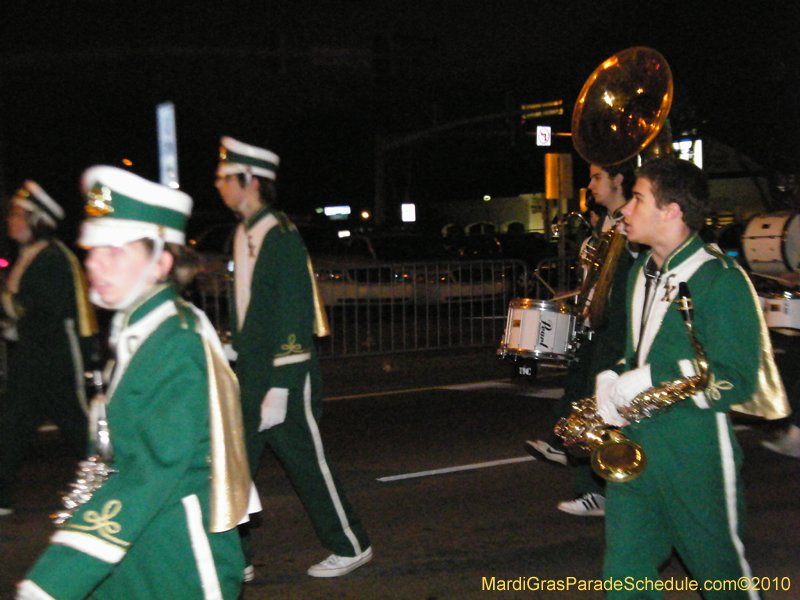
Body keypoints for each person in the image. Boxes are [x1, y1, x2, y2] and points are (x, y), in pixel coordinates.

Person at [16, 166, 252, 600]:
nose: (93, 263)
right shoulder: (137, 325)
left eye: (114, 251)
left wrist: (56, 578)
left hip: (176, 562)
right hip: (136, 545)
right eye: (92, 250)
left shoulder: (175, 342)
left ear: (161, 261)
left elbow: (147, 473)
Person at [598, 157, 764, 598]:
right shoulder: (640, 271)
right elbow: (637, 353)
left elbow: (738, 377)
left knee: (722, 576)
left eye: (637, 198)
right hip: (635, 446)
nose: (627, 210)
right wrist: (611, 379)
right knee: (624, 571)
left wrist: (655, 378)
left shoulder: (720, 279)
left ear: (672, 210)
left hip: (696, 452)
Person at [215, 137, 371, 578]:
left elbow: (293, 309)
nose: (220, 186)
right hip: (251, 370)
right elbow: (252, 304)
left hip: (286, 373)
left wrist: (282, 386)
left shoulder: (279, 235)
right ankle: (235, 557)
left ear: (252, 181)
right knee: (233, 466)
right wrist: (235, 344)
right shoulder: (244, 232)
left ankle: (352, 543)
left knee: (308, 466)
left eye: (226, 178)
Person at [525, 160, 637, 517]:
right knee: (581, 400)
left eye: (597, 176)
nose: (589, 184)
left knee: (602, 411)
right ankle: (568, 452)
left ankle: (600, 491)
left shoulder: (630, 221)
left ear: (619, 179)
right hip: (598, 324)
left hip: (618, 330)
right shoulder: (606, 223)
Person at [0, 181, 98, 516]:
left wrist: (11, 307)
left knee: (78, 425)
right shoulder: (29, 255)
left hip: (57, 358)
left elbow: (48, 309)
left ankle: (110, 485)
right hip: (31, 357)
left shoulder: (53, 257)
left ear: (36, 220)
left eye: (18, 214)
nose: (11, 219)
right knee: (11, 425)